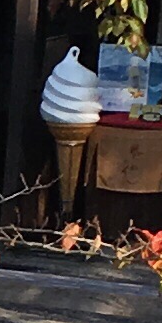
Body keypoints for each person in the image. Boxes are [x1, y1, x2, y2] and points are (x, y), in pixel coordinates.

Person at [38, 25, 106, 217]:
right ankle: (66, 207)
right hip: (72, 113)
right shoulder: (77, 74)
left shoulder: (70, 73)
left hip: (71, 112)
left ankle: (67, 208)